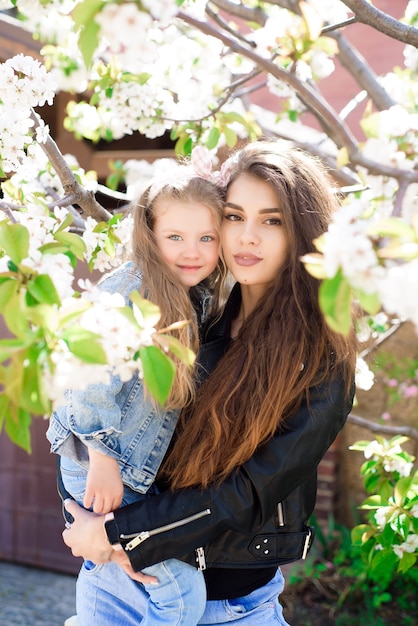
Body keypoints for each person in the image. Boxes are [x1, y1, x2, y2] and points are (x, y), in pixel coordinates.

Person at [62, 139, 357, 625]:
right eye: (236, 216)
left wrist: (119, 534)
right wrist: (83, 514)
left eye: (272, 220)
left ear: (303, 233)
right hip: (126, 588)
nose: (247, 238)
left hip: (234, 608)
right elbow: (91, 412)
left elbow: (246, 493)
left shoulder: (322, 359)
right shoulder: (194, 323)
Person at [46, 166, 226, 626]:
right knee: (182, 597)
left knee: (132, 587)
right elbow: (85, 375)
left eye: (207, 238)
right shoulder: (131, 290)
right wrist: (103, 460)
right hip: (99, 469)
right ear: (149, 234)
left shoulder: (193, 296)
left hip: (128, 474)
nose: (192, 251)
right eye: (176, 237)